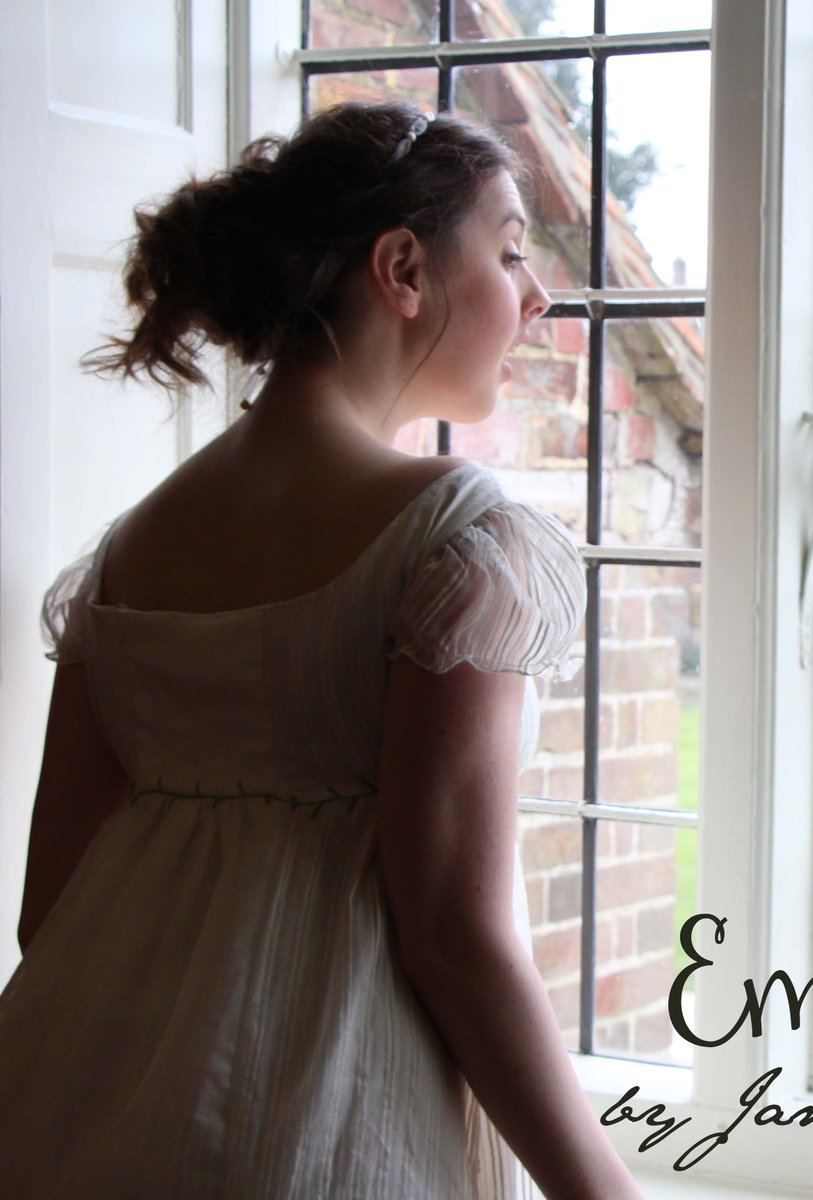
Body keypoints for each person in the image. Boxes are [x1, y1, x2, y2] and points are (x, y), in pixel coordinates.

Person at [0, 100, 646, 1200]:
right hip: (329, 1129)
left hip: (75, 1109)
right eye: (507, 252)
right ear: (402, 269)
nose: (536, 296)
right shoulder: (455, 540)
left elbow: (49, 909)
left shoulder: (134, 547)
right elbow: (453, 939)